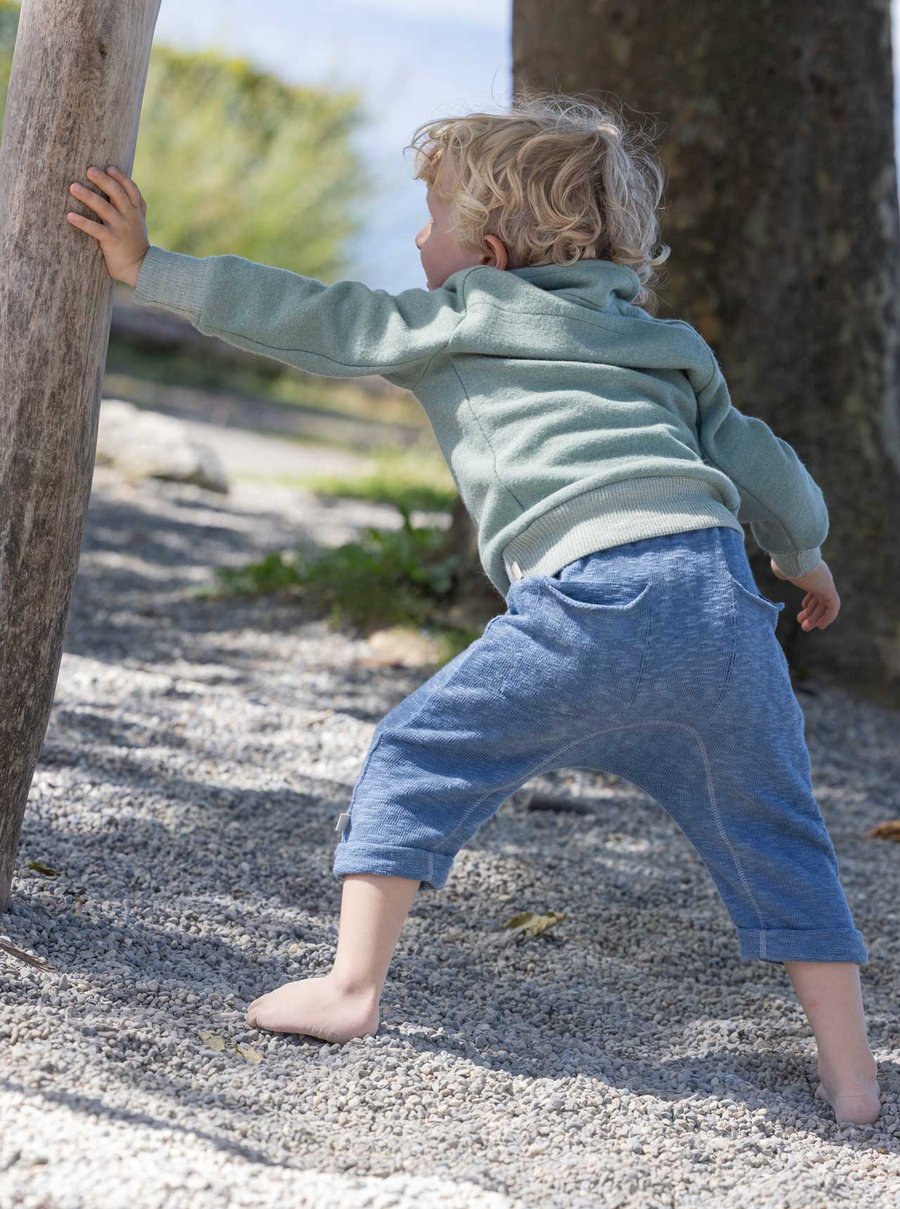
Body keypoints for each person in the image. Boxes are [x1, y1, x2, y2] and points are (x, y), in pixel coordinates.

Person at [66, 93, 880, 1125]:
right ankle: (852, 1078)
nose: (416, 236)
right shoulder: (669, 345)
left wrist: (155, 268)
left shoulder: (465, 314)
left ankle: (350, 986)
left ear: (489, 250)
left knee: (418, 753)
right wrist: (805, 557)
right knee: (780, 831)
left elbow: (320, 321)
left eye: (432, 216)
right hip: (723, 606)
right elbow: (767, 469)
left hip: (590, 599)